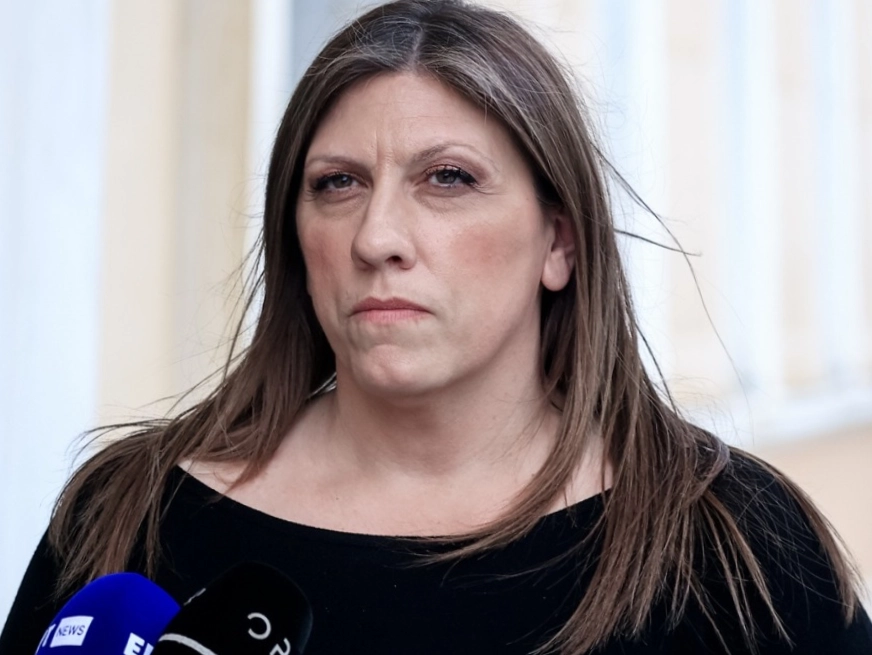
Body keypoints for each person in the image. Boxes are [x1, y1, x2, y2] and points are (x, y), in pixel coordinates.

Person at [2, 1, 870, 653]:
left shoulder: (731, 544)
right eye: (337, 183)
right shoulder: (129, 518)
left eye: (448, 178)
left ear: (559, 242)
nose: (376, 237)